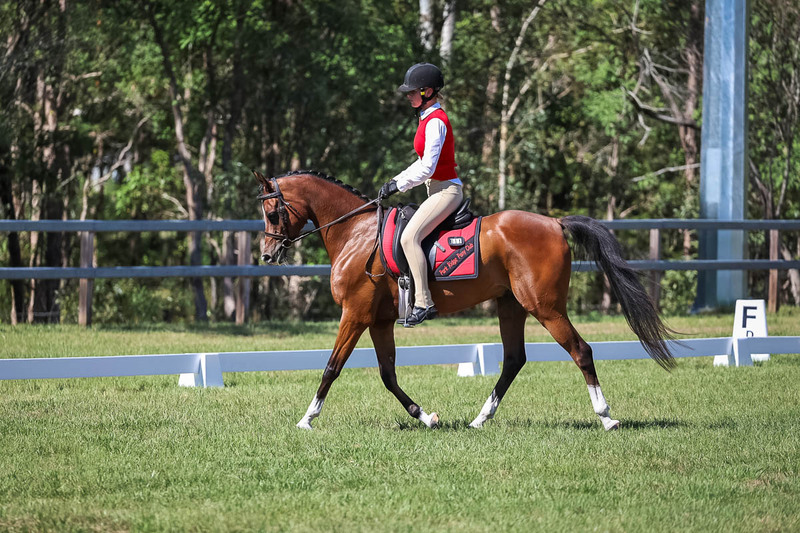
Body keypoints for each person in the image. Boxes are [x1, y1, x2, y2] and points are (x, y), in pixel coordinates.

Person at [380, 62, 464, 327]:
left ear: (427, 92)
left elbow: (428, 166)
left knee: (409, 237)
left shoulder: (436, 122)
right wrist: (396, 180)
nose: (408, 95)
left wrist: (399, 185)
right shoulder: (427, 118)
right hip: (435, 189)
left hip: (446, 190)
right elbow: (422, 164)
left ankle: (424, 302)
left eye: (412, 91)